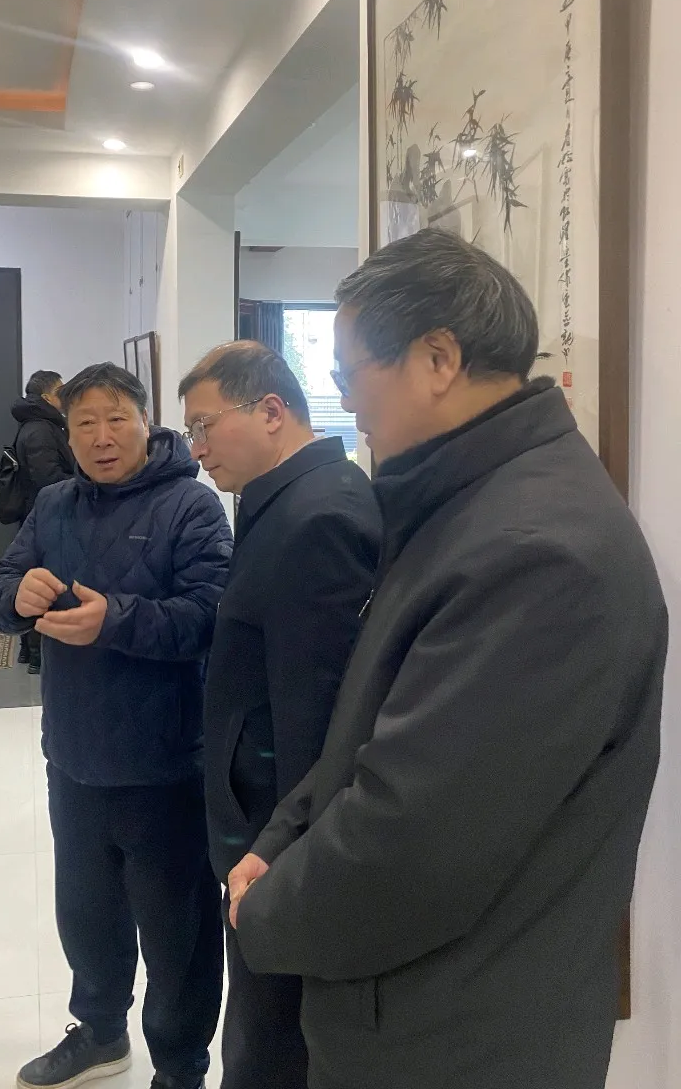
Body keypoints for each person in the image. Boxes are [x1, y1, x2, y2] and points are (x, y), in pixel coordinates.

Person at [228, 230, 667, 1089]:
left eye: (352, 371)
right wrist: (280, 840)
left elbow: (411, 844)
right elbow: (369, 732)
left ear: (438, 358)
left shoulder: (536, 554)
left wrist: (264, 909)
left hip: (458, 1036)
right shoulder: (468, 502)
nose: (343, 397)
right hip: (414, 1008)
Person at [0, 362, 232, 1089]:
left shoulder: (192, 506)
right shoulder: (54, 503)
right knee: (87, 916)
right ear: (67, 433)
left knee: (177, 934)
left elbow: (209, 617)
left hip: (165, 764)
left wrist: (113, 621)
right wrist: (15, 597)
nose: (101, 437)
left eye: (116, 419)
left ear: (147, 423)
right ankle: (99, 1033)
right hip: (74, 758)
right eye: (84, 423)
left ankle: (180, 1068)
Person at [177, 341, 380, 1089]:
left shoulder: (317, 516)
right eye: (190, 432)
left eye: (205, 426)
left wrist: (285, 849)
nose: (197, 449)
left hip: (275, 828)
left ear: (271, 411)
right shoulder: (286, 500)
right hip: (260, 813)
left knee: (270, 1036)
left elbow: (319, 714)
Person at [11, 369, 75, 673]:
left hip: (39, 512)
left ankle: (30, 650)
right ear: (48, 397)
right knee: (42, 583)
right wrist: (82, 482)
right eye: (61, 390)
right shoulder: (40, 429)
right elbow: (47, 478)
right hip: (44, 516)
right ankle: (36, 655)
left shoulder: (39, 424)